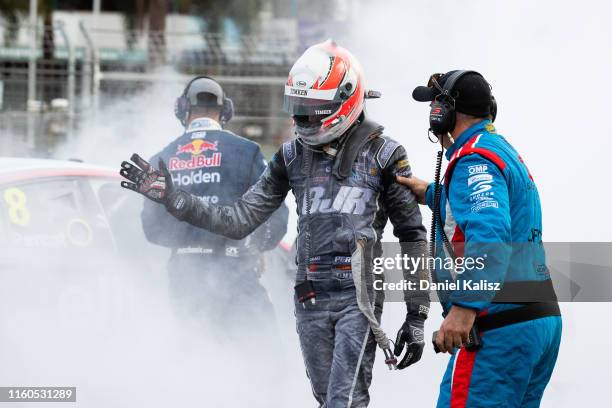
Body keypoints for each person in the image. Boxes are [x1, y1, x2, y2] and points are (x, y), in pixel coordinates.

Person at [119, 40, 430, 407]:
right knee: (324, 398)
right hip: (309, 294)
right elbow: (238, 220)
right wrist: (175, 198)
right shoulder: (290, 155)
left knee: (344, 401)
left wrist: (417, 315)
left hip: (358, 295)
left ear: (343, 100)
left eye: (312, 109)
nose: (301, 118)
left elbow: (412, 235)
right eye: (298, 107)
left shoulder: (385, 153)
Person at [398, 70, 562, 407]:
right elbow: (482, 208)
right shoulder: (495, 149)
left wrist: (464, 309)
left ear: (445, 111)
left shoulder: (474, 159)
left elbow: (489, 234)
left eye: (434, 105)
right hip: (534, 318)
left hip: (500, 327)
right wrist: (429, 193)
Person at [137, 76, 288, 334]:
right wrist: (255, 245)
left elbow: (152, 229)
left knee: (198, 361)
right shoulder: (247, 151)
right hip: (236, 273)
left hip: (185, 280)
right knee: (263, 363)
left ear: (182, 110)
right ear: (225, 111)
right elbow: (277, 218)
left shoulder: (160, 159)